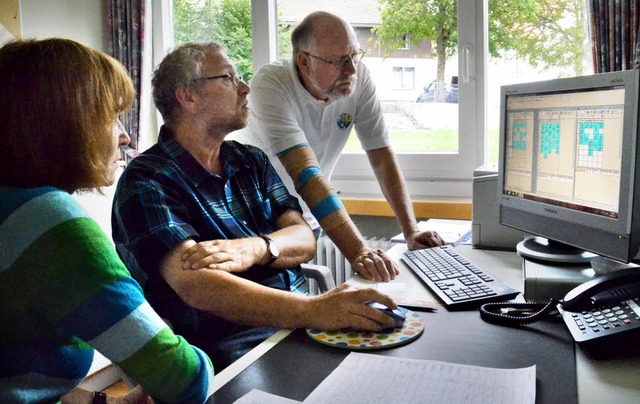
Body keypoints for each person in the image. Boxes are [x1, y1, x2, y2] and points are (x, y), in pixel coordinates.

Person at [111, 42, 399, 371]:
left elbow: (304, 237)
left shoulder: (250, 160)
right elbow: (197, 286)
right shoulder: (147, 181)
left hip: (300, 324)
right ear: (188, 97)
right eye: (229, 78)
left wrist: (257, 248)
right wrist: (312, 310)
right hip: (234, 348)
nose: (245, 88)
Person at [0, 38, 214, 403]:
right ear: (66, 123)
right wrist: (204, 364)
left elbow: (15, 377)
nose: (125, 135)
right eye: (111, 117)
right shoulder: (49, 222)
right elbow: (184, 381)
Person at [232, 11, 445, 282]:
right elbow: (306, 174)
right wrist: (360, 251)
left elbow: (381, 155)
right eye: (338, 61)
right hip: (256, 224)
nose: (352, 69)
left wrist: (411, 231)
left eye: (355, 55)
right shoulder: (271, 84)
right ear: (304, 62)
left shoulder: (359, 78)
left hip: (309, 217)